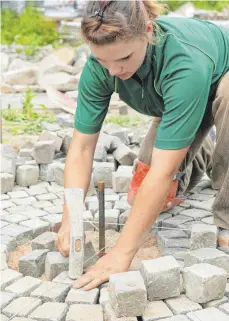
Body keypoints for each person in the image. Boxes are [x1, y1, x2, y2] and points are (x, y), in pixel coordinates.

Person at [56, 0, 229, 291]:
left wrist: (121, 254)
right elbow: (82, 148)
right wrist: (69, 218)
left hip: (217, 76)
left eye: (123, 58)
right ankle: (201, 151)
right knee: (143, 198)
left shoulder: (183, 62)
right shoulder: (102, 67)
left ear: (147, 32)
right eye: (102, 61)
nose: (112, 71)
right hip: (176, 97)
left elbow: (161, 173)